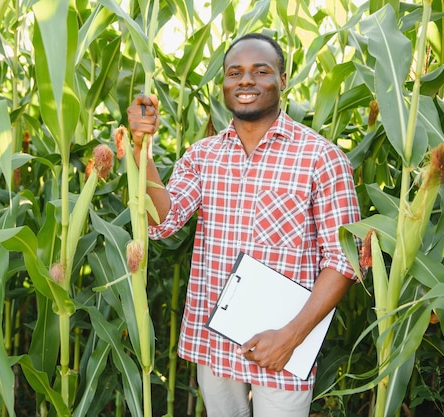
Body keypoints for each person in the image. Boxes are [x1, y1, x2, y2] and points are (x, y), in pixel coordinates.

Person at [127, 33, 361, 417]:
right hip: (214, 343)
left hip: (284, 344)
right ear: (223, 84)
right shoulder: (202, 155)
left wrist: (290, 337)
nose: (246, 81)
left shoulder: (321, 157)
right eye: (234, 72)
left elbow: (344, 260)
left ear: (283, 80)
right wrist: (141, 146)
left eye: (261, 71)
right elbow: (163, 220)